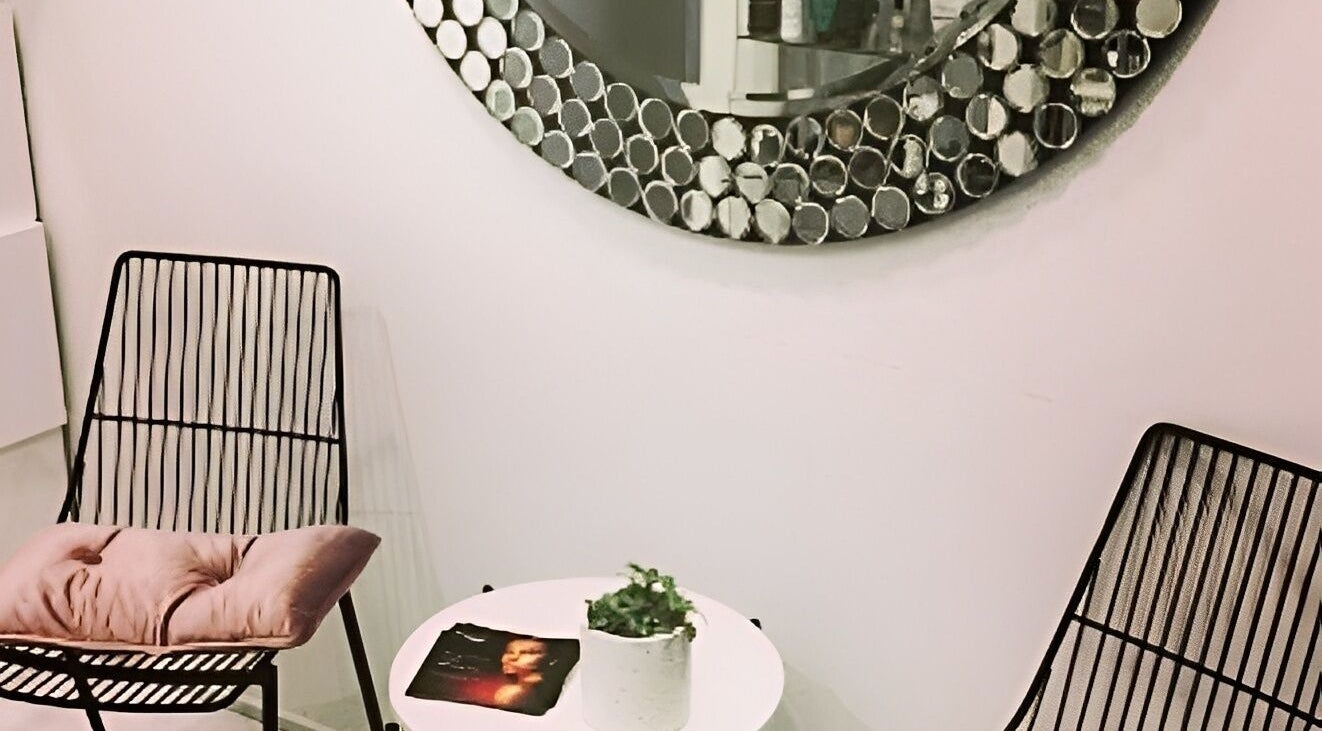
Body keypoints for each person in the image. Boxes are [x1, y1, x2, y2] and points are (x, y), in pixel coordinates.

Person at [494, 637, 549, 709]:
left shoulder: (513, 694)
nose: (506, 659)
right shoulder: (508, 691)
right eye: (509, 652)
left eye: (524, 652)